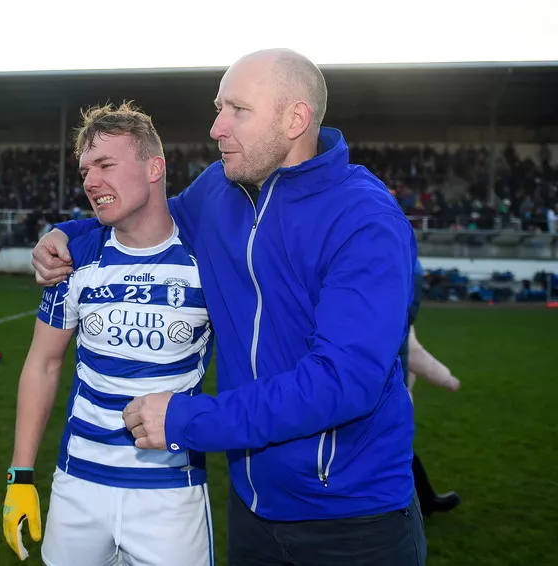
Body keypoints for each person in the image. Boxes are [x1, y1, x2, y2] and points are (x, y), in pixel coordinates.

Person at [32, 49, 426, 565]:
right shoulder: (221, 190)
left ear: (295, 119)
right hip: (252, 510)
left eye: (237, 110)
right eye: (218, 108)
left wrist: (190, 421)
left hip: (352, 522)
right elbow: (152, 218)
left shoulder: (364, 219)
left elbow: (342, 381)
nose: (216, 127)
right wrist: (67, 235)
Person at [2, 102, 215, 566]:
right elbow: (43, 362)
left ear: (154, 167)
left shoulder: (208, 262)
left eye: (105, 165)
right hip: (78, 487)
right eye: (84, 172)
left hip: (170, 495)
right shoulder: (74, 260)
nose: (91, 181)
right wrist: (20, 476)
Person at [405, 259, 462, 517]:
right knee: (398, 454)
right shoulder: (394, 311)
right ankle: (423, 502)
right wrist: (446, 378)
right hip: (385, 402)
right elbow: (415, 355)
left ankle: (425, 500)